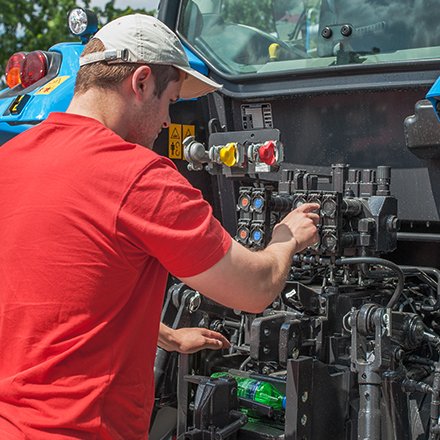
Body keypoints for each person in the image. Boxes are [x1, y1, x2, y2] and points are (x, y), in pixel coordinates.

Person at [0, 13, 319, 440]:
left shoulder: (12, 159)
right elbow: (256, 290)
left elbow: (54, 289)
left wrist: (164, 335)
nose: (169, 122)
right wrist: (287, 238)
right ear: (142, 82)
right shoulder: (139, 177)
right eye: (170, 101)